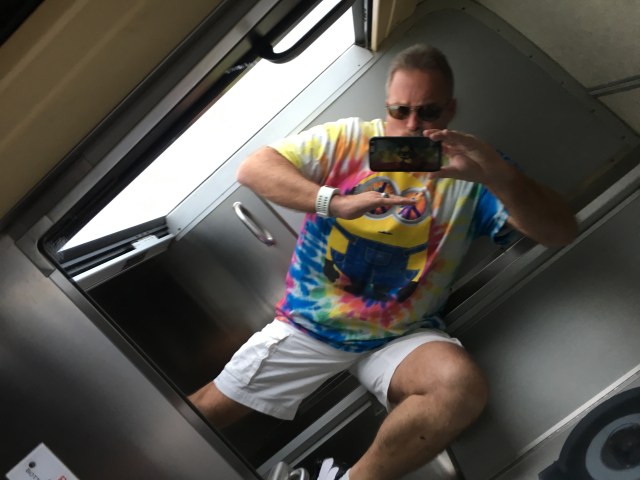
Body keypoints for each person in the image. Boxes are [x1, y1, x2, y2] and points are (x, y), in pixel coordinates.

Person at [189, 44, 577, 480]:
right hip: (314, 323)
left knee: (459, 388)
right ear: (386, 105)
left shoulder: (474, 167)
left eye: (428, 112)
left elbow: (560, 232)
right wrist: (334, 202)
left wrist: (499, 177)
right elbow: (254, 168)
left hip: (402, 333)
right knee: (202, 413)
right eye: (400, 110)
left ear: (450, 110)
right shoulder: (350, 140)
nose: (412, 125)